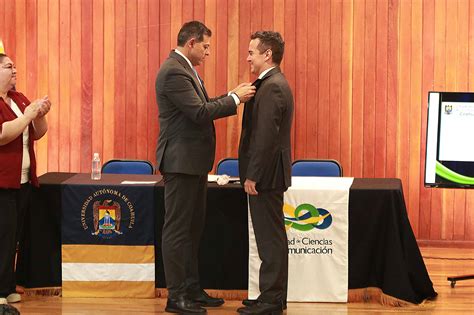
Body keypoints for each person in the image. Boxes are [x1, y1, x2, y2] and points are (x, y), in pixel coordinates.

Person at [155, 21, 256, 314]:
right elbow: (199, 113)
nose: (208, 52)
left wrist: (229, 94)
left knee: (192, 228)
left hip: (194, 164)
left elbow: (203, 104)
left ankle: (190, 288)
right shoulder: (174, 70)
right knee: (177, 230)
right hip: (180, 164)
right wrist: (235, 99)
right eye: (206, 46)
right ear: (191, 43)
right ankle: (176, 297)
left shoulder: (186, 69)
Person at [237, 31, 294, 315]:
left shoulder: (272, 86)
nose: (247, 58)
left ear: (267, 54)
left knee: (270, 239)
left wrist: (252, 175)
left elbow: (266, 138)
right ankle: (270, 295)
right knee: (270, 238)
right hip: (269, 174)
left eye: (251, 53)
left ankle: (271, 300)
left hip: (266, 177)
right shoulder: (270, 83)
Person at [0, 53, 51, 305]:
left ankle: (9, 285)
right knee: (3, 237)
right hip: (2, 183)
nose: (15, 70)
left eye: (15, 66)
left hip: (23, 180)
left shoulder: (19, 99)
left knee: (15, 236)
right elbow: (3, 134)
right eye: (9, 67)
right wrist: (28, 115)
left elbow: (38, 133)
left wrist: (40, 114)